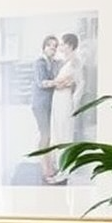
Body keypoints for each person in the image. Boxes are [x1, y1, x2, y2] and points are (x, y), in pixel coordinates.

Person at [48, 32, 85, 182]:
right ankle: (60, 168)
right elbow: (60, 81)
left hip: (65, 101)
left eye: (62, 44)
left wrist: (73, 103)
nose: (60, 47)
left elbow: (81, 83)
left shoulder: (76, 61)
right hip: (58, 100)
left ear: (69, 45)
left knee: (64, 134)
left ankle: (64, 171)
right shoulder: (66, 62)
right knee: (57, 133)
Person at [31, 34, 60, 182]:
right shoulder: (39, 63)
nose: (53, 49)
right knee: (45, 135)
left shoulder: (54, 62)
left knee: (49, 136)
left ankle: (50, 166)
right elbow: (41, 82)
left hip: (49, 104)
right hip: (40, 104)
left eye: (55, 46)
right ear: (44, 47)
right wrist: (58, 82)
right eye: (50, 46)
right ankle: (46, 169)